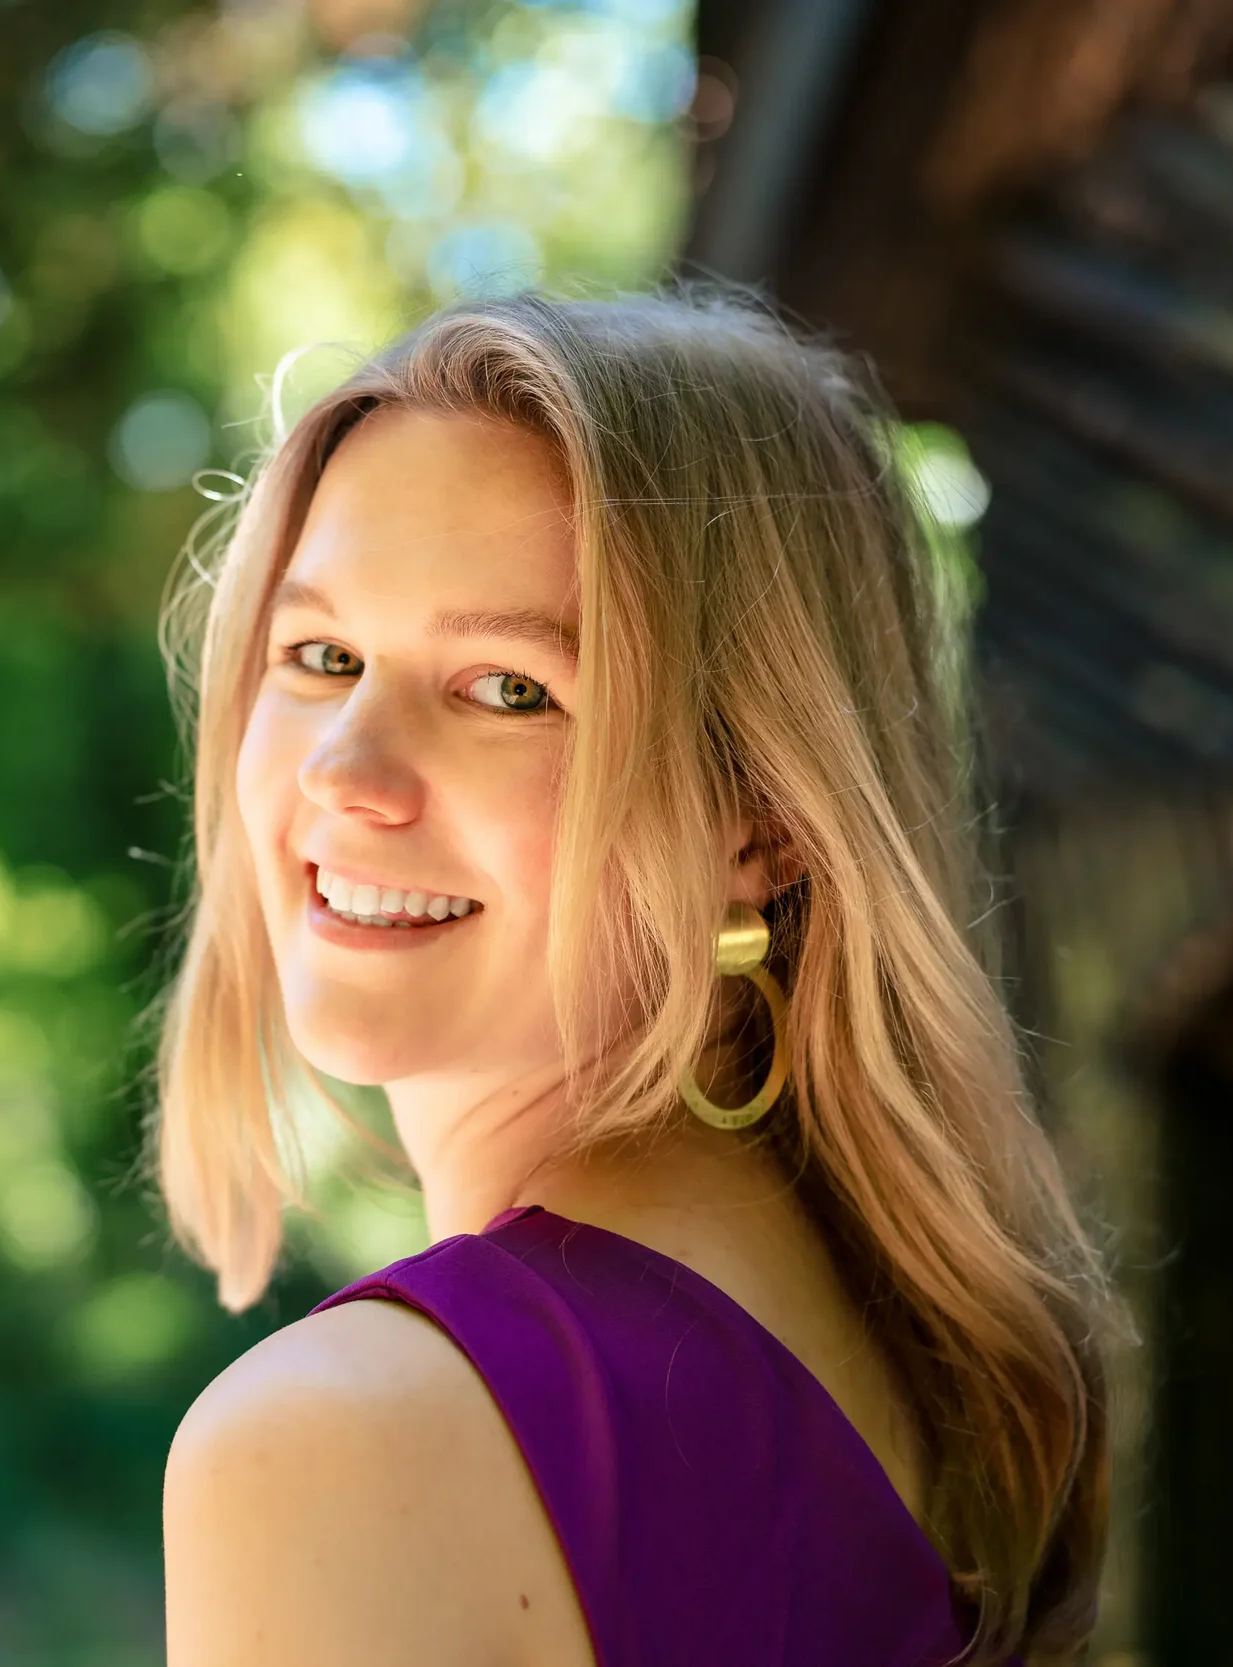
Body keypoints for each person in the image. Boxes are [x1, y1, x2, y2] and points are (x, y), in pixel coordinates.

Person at [145, 290, 1124, 1667]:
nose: (345, 773)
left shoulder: (337, 1439)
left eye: (506, 687)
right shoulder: (901, 1358)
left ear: (764, 820)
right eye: (321, 656)